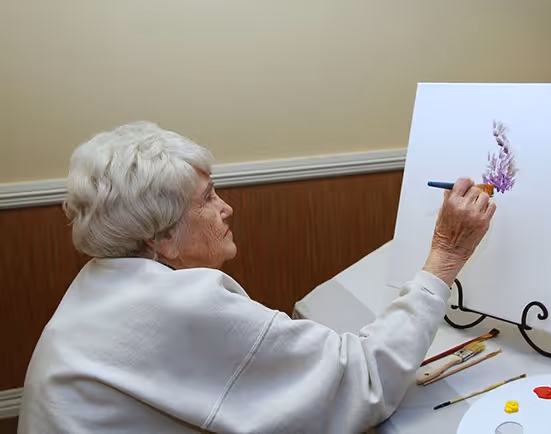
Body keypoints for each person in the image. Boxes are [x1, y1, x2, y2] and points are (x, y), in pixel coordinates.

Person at [18, 121, 496, 434]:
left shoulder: (102, 279)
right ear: (160, 237)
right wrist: (445, 256)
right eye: (206, 199)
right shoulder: (177, 303)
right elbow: (364, 382)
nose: (226, 208)